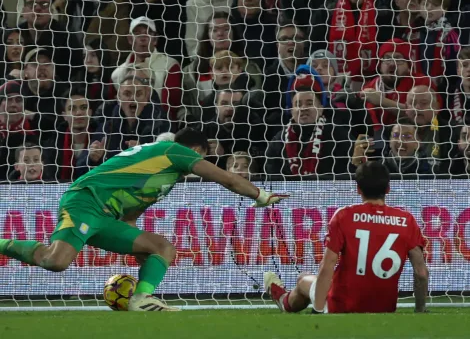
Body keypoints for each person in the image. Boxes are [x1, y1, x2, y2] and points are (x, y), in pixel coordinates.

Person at [0, 128, 288, 311]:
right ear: (196, 151)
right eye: (202, 158)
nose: (201, 163)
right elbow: (226, 178)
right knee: (56, 261)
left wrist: (142, 257)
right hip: (86, 201)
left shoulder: (163, 179)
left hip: (106, 217)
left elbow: (129, 219)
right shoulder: (174, 152)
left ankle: (142, 299)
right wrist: (261, 195)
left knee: (162, 248)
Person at [264, 161, 429, 314]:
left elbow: (328, 264)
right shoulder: (407, 220)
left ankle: (282, 300)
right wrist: (420, 310)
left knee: (303, 280)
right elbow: (421, 273)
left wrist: (319, 310)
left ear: (358, 189)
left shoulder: (345, 216)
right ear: (388, 189)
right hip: (384, 308)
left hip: (342, 305)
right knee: (310, 280)